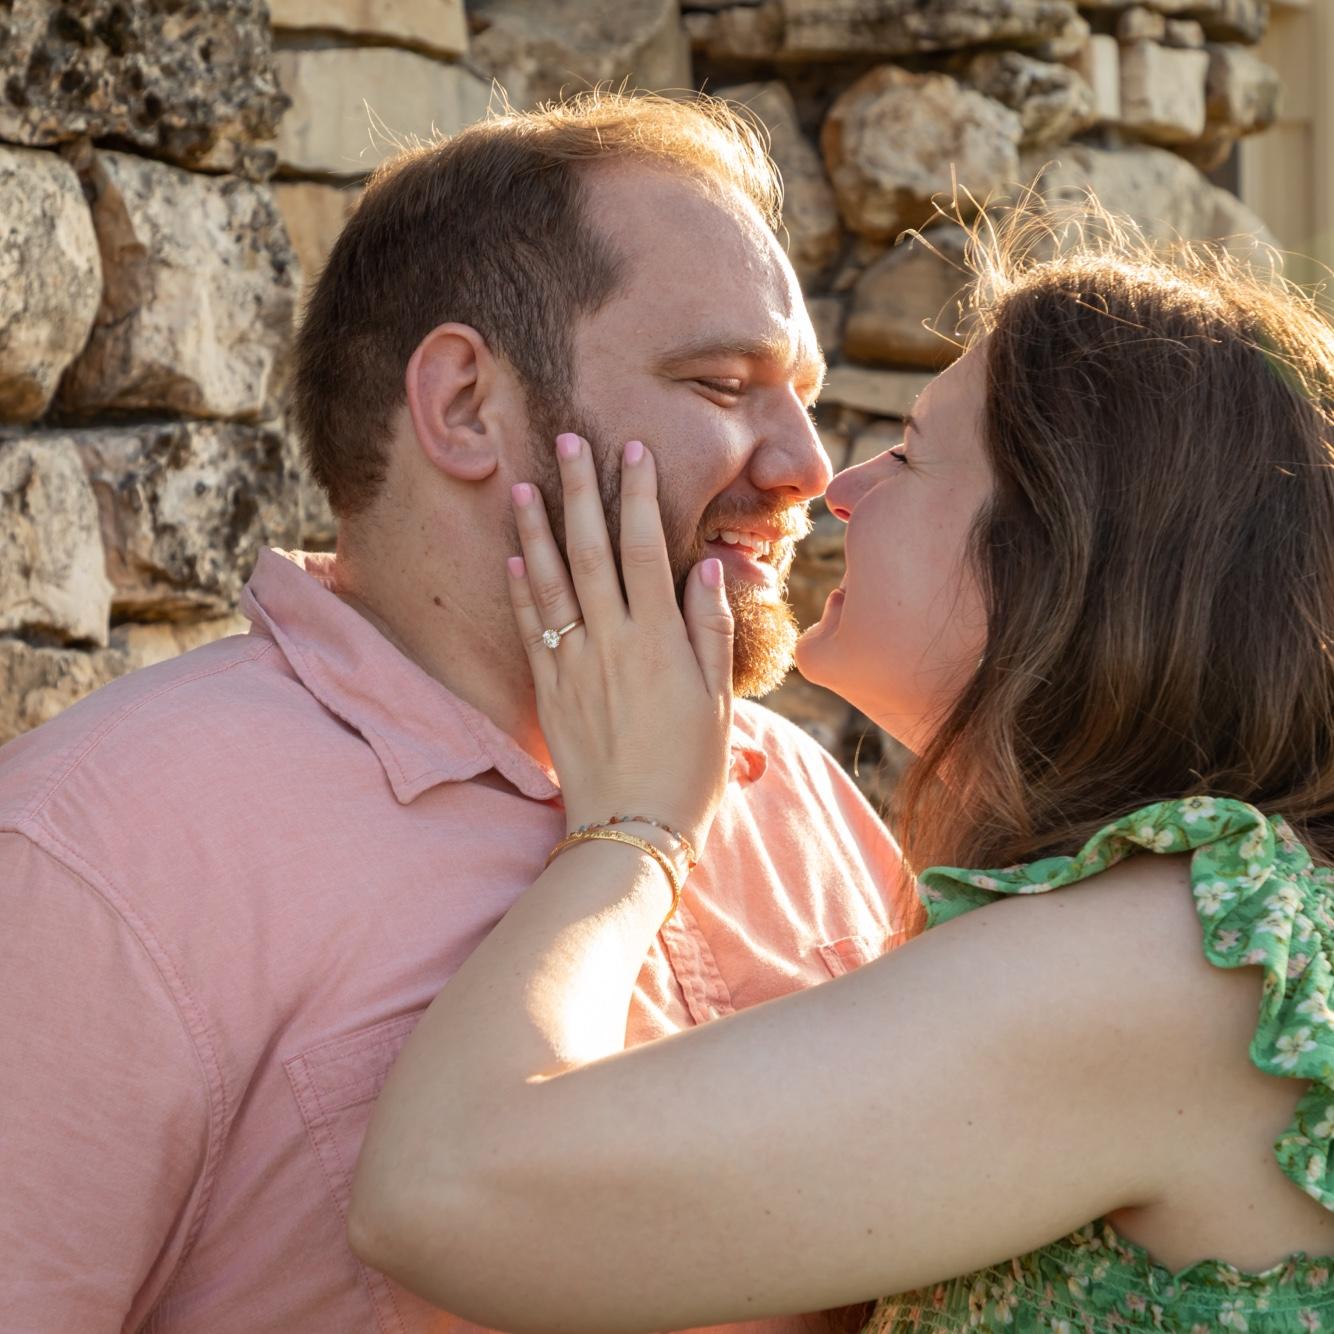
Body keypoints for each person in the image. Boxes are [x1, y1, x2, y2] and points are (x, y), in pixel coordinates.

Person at [0, 93, 912, 1333]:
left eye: (798, 392)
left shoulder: (795, 792)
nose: (806, 465)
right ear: (466, 404)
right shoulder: (101, 855)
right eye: (720, 382)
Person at [348, 224, 1334, 1333]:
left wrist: (634, 825)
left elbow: (440, 1193)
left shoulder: (1179, 959)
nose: (839, 483)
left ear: (1069, 548)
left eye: (910, 454)